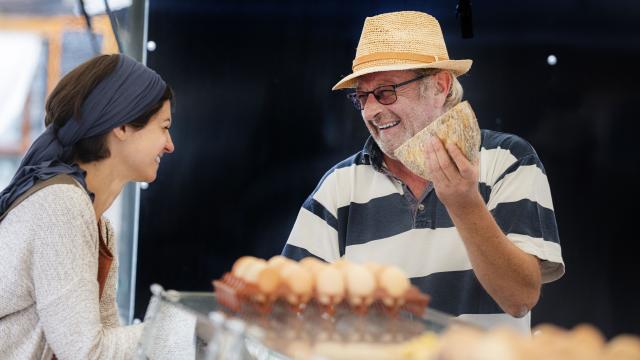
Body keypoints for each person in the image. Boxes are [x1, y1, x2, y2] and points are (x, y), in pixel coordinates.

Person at [282, 11, 564, 332]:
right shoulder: (339, 186)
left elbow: (519, 298)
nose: (372, 110)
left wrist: (464, 203)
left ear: (440, 85)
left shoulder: (508, 159)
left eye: (386, 91)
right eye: (361, 96)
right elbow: (288, 313)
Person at [0, 54, 175, 359]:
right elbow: (86, 353)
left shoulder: (97, 225)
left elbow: (106, 341)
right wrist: (193, 328)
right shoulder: (60, 207)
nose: (170, 144)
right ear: (122, 125)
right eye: (164, 127)